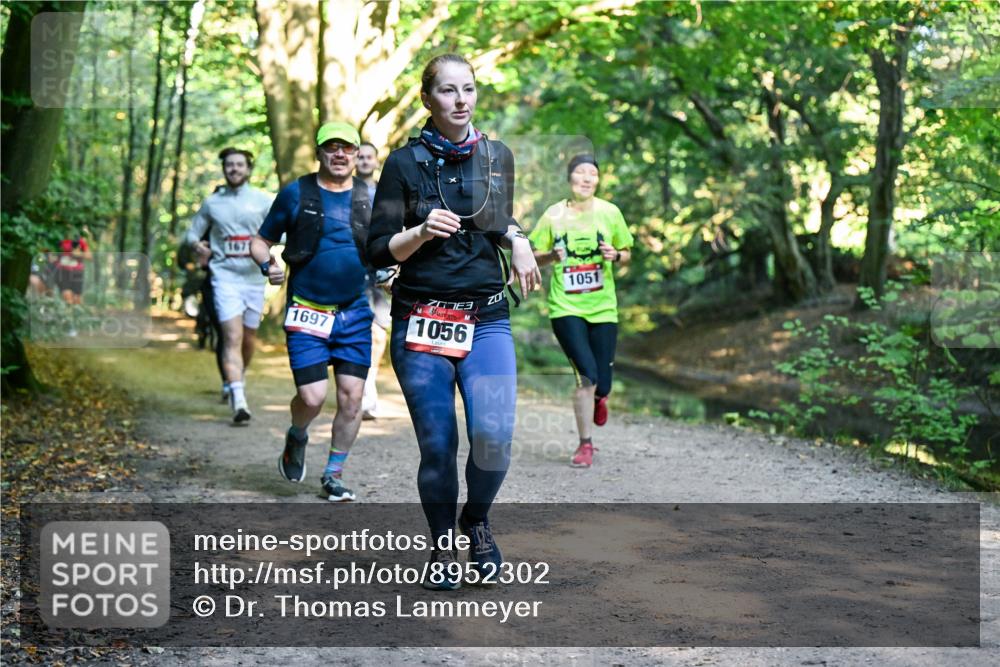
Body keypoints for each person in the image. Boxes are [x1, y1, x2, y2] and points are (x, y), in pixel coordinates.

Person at [367, 53, 540, 589]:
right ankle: (443, 546)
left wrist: (520, 241)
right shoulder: (402, 163)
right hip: (421, 319)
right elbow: (376, 250)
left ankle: (477, 520)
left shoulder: (496, 155)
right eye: (448, 91)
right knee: (439, 444)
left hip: (486, 316)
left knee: (493, 438)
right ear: (427, 99)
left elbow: (497, 219)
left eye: (468, 89)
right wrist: (418, 232)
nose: (461, 100)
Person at [251, 121, 374, 503]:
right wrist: (267, 263)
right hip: (307, 310)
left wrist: (390, 270)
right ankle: (298, 434)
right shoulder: (296, 193)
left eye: (347, 148)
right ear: (319, 152)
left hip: (354, 312)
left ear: (357, 155)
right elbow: (261, 240)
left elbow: (390, 247)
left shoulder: (371, 197)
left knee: (352, 397)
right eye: (331, 147)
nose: (340, 154)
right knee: (312, 398)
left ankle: (334, 474)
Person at [529, 154, 634, 468]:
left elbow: (627, 254)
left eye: (593, 173)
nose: (587, 178)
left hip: (603, 308)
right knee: (586, 376)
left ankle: (601, 398)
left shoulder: (610, 212)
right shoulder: (553, 214)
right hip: (566, 307)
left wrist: (615, 255)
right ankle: (585, 444)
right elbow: (533, 256)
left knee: (603, 383)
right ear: (569, 178)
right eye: (580, 172)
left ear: (598, 181)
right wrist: (551, 255)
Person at [185, 148, 272, 423]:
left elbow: (280, 232)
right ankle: (239, 399)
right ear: (223, 169)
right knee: (231, 337)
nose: (234, 169)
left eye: (239, 165)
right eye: (229, 165)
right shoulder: (213, 203)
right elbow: (191, 232)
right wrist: (196, 244)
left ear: (248, 169)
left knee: (248, 340)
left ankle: (237, 378)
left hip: (254, 279)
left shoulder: (263, 201)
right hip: (224, 278)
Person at [355, 141, 393, 420]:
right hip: (351, 270)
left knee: (379, 333)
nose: (365, 161)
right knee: (355, 331)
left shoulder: (387, 191)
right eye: (360, 157)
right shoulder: (341, 190)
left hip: (380, 269)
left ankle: (368, 383)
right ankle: (361, 392)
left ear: (376, 161)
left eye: (369, 157)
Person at [55, 235, 92, 305]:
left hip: (77, 272)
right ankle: (68, 314)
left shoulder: (79, 240)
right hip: (63, 271)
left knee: (77, 299)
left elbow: (89, 256)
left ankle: (77, 313)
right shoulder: (58, 237)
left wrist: (78, 254)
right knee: (67, 295)